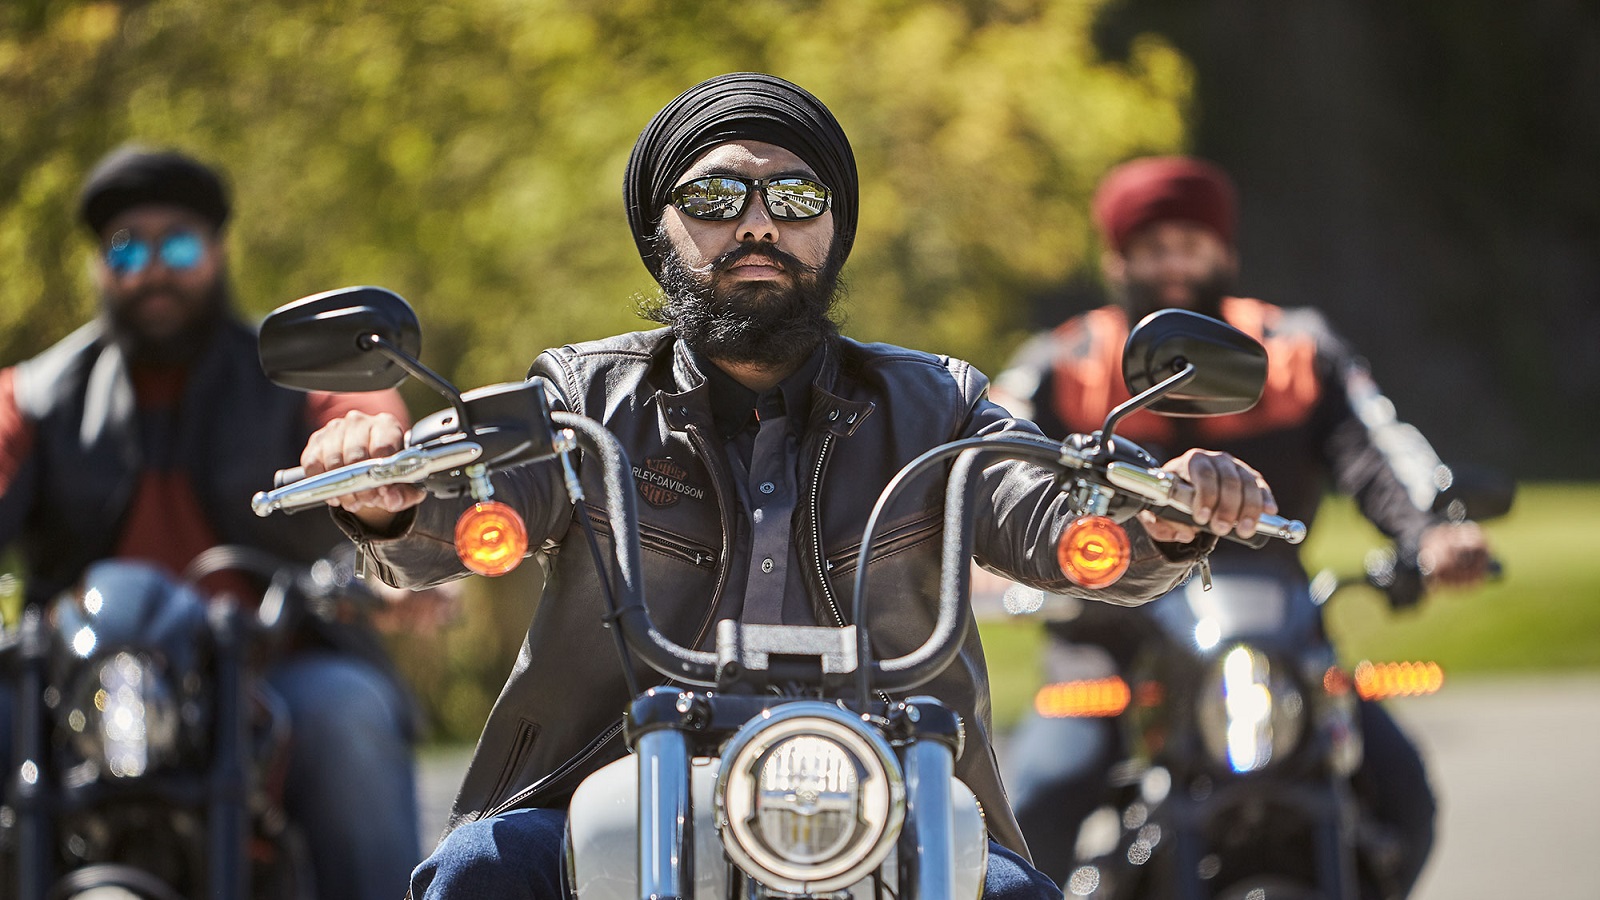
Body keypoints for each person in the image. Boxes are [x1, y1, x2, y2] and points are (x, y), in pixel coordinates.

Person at [992, 155, 1493, 894]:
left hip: (1279, 637)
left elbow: (1378, 451)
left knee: (1404, 794)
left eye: (1191, 244)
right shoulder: (1062, 365)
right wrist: (977, 565)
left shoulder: (1295, 353)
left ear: (1226, 252)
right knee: (1037, 794)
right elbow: (996, 470)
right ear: (1116, 260)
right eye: (1152, 248)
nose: (1173, 265)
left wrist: (1433, 532)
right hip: (1111, 645)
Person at [0, 147, 423, 900]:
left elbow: (373, 433)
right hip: (73, 685)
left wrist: (387, 488)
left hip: (270, 669)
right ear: (99, 264)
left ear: (220, 252)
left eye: (181, 244)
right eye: (127, 246)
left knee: (348, 715)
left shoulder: (295, 378)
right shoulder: (33, 397)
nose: (153, 267)